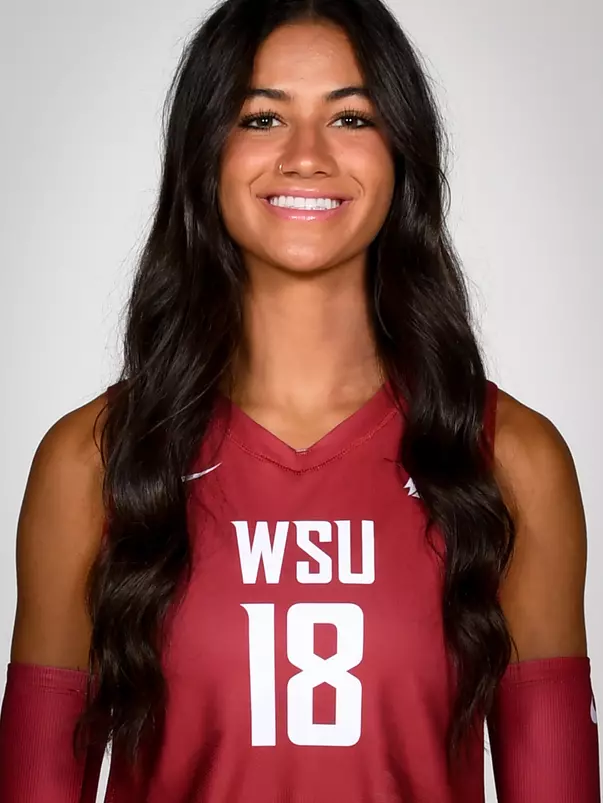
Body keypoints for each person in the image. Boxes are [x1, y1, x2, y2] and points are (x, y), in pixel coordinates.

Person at [0, 0, 599, 801]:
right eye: (261, 118)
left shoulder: (509, 459)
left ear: (400, 153)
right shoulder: (94, 460)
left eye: (350, 117)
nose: (306, 156)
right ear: (205, 153)